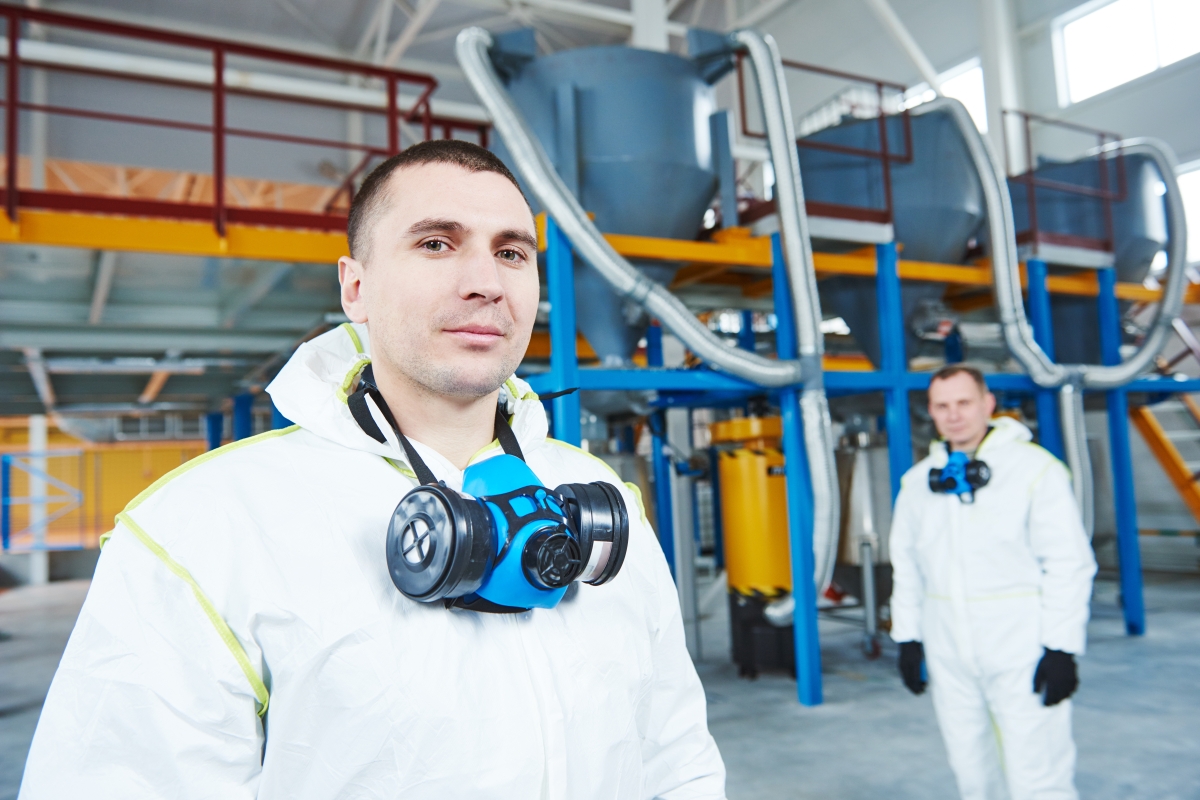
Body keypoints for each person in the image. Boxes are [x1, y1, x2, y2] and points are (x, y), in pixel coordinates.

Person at [20, 140, 726, 799]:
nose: (485, 281)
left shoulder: (604, 504)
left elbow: (674, 754)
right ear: (355, 287)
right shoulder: (206, 528)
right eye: (436, 243)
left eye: (511, 253)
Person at [890, 364, 1097, 800]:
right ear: (930, 412)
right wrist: (908, 638)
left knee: (1037, 777)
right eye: (942, 406)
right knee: (971, 773)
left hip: (1021, 649)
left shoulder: (1035, 471)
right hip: (949, 653)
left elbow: (1069, 563)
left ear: (987, 404)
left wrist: (1061, 647)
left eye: (964, 402)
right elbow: (906, 566)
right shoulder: (917, 484)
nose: (954, 415)